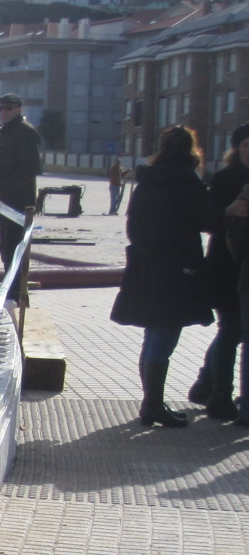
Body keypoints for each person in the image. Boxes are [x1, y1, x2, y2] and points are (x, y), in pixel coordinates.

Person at [110, 125, 220, 428]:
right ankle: (153, 406)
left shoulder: (146, 183)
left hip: (145, 266)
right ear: (191, 151)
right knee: (164, 335)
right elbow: (210, 221)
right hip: (176, 270)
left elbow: (132, 228)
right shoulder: (187, 183)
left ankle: (152, 403)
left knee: (153, 335)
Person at [186, 122, 249, 419]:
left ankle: (206, 383)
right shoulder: (225, 179)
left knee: (235, 332)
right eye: (246, 146)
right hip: (226, 268)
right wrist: (227, 212)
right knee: (232, 330)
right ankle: (220, 395)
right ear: (236, 149)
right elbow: (207, 220)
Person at [0, 94, 43, 269]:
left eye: (8, 108)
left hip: (17, 204)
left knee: (15, 250)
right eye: (0, 108)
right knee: (6, 250)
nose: (4, 112)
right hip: (3, 202)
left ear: (19, 109)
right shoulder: (6, 132)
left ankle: (15, 292)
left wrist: (3, 189)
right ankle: (9, 292)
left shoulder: (25, 132)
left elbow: (31, 168)